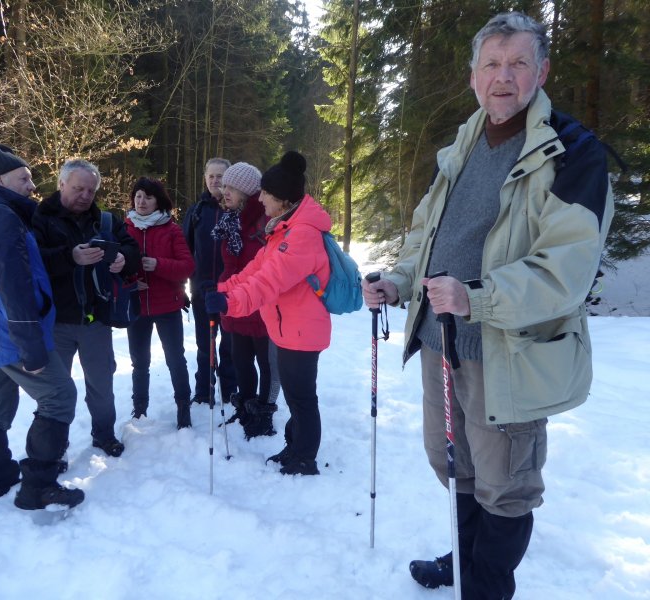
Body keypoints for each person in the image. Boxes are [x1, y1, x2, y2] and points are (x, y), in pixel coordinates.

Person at [361, 12, 614, 599]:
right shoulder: (462, 144)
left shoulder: (574, 154)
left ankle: (486, 586)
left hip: (511, 351)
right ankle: (464, 561)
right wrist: (399, 282)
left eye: (518, 63)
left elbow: (565, 271)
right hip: (440, 342)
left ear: (542, 71)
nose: (504, 77)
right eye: (492, 64)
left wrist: (477, 300)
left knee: (506, 482)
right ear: (474, 75)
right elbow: (428, 234)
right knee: (454, 465)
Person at [0, 144, 84, 510]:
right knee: (59, 396)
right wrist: (30, 344)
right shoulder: (0, 216)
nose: (32, 186)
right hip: (10, 330)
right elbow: (13, 283)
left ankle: (0, 475)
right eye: (24, 178)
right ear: (0, 180)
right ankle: (38, 486)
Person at [205, 151, 331, 475]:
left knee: (302, 398)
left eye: (266, 193)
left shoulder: (301, 235)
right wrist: (222, 291)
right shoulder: (283, 230)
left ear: (283, 199)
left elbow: (268, 282)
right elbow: (253, 270)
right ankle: (295, 447)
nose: (259, 198)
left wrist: (230, 304)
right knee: (294, 396)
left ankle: (304, 457)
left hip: (302, 330)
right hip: (288, 328)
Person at [32, 159, 141, 458]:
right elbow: (30, 262)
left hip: (95, 320)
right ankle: (55, 446)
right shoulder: (39, 218)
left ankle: (104, 434)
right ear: (61, 184)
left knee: (102, 385)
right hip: (54, 321)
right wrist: (70, 258)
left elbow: (132, 248)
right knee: (54, 391)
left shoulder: (104, 221)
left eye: (90, 190)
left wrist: (123, 259)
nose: (84, 195)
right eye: (78, 188)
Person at [210, 161, 277, 439]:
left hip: (260, 305)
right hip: (234, 302)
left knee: (266, 362)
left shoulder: (264, 223)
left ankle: (263, 413)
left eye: (231, 187)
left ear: (248, 191)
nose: (224, 191)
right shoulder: (228, 219)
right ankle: (247, 408)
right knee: (240, 360)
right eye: (224, 185)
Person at [125, 177, 195, 429]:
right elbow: (113, 268)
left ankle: (183, 407)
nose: (141, 201)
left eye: (148, 197)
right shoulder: (125, 228)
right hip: (137, 307)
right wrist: (131, 283)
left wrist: (158, 264)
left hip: (168, 306)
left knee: (175, 358)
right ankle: (139, 409)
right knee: (139, 361)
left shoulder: (171, 229)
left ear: (159, 201)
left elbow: (187, 267)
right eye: (138, 196)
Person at [182, 158, 237, 405]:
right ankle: (203, 392)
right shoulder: (196, 211)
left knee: (231, 345)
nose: (215, 181)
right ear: (205, 178)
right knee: (205, 344)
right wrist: (181, 286)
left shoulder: (236, 209)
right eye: (211, 176)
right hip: (201, 290)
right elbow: (184, 251)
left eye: (220, 176)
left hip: (233, 291)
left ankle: (229, 391)